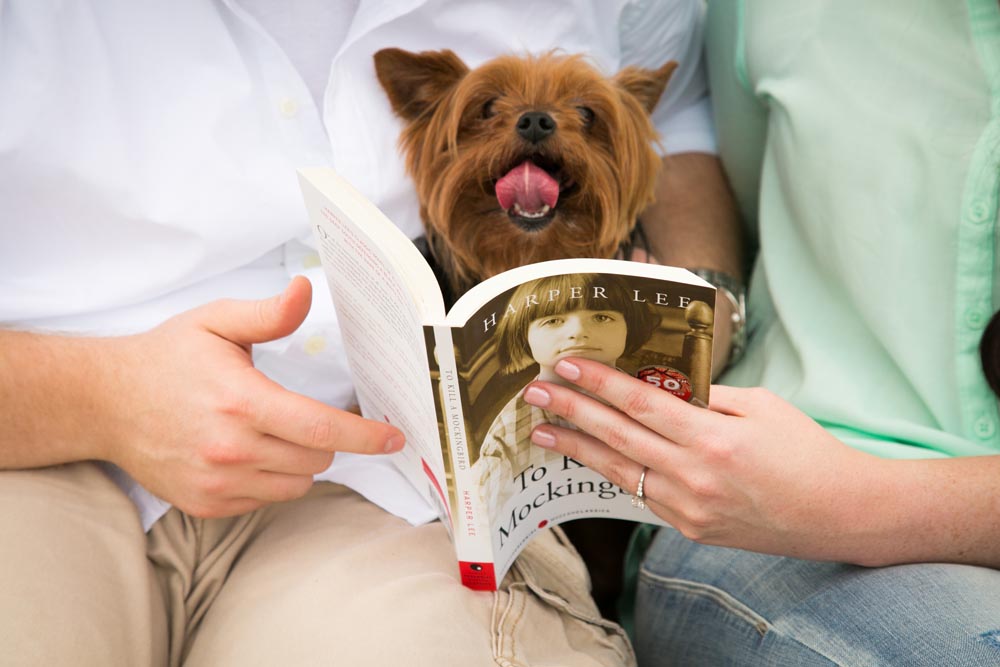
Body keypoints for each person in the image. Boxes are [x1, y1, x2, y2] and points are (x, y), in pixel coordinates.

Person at [0, 1, 743, 665]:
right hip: (38, 445)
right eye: (489, 111)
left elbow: (675, 115)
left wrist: (708, 306)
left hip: (400, 476)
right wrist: (99, 394)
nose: (537, 122)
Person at [519, 1, 1000, 665]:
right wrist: (703, 312)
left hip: (807, 497)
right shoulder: (762, 15)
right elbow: (739, 220)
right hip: (768, 486)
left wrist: (854, 503)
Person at [475, 273, 661, 511]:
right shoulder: (508, 429)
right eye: (552, 321)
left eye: (601, 317)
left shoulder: (652, 397)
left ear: (629, 328)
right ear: (524, 336)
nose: (578, 332)